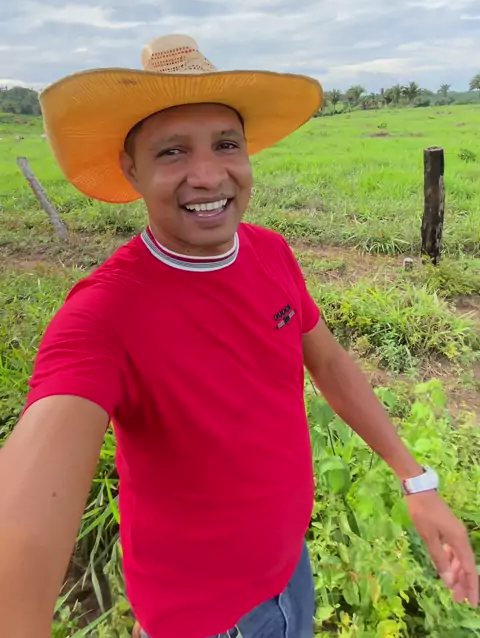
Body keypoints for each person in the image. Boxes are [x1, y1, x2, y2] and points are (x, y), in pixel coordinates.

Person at [0, 34, 477, 638]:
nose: (207, 175)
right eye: (172, 151)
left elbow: (329, 363)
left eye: (226, 144)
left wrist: (415, 477)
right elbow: (22, 522)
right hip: (206, 618)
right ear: (131, 168)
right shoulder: (102, 314)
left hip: (289, 568)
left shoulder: (270, 252)